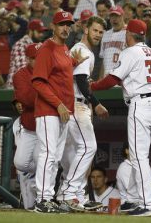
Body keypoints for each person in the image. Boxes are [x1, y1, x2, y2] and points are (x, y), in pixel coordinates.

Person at [90, 19, 151, 216]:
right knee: (137, 156)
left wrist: (92, 86)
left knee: (138, 156)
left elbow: (112, 79)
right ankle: (135, 199)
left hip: (141, 104)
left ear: (128, 34)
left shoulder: (130, 52)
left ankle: (148, 204)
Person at [31, 11, 86, 213]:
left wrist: (74, 62)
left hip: (63, 111)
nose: (65, 28)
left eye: (68, 24)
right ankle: (42, 198)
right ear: (53, 26)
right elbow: (38, 81)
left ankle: (48, 196)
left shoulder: (64, 48)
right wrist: (58, 104)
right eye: (62, 24)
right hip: (49, 110)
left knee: (55, 156)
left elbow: (60, 71)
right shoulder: (47, 48)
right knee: (48, 154)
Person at [56, 16, 109, 212]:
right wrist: (96, 104)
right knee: (89, 147)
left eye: (101, 32)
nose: (98, 34)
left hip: (72, 104)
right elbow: (80, 80)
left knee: (72, 155)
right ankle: (68, 193)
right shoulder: (83, 50)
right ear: (86, 30)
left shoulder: (78, 49)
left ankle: (76, 196)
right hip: (76, 105)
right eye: (95, 30)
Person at [12, 43, 42, 209]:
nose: (38, 61)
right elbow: (27, 99)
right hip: (30, 126)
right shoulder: (21, 75)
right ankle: (47, 171)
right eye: (35, 58)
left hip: (46, 126)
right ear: (29, 58)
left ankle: (45, 182)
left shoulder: (50, 71)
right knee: (20, 163)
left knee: (41, 158)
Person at [6, 19, 47, 88]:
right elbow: (22, 69)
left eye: (42, 32)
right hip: (15, 89)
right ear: (30, 31)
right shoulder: (20, 45)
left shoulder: (40, 46)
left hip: (31, 86)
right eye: (39, 32)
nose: (41, 34)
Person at [99, 5, 126, 78]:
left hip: (122, 77)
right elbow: (103, 60)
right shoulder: (105, 35)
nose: (114, 19)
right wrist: (100, 80)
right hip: (107, 77)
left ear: (122, 16)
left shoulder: (128, 34)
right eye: (112, 16)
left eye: (117, 16)